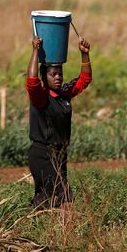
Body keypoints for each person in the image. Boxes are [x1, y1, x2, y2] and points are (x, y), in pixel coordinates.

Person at [26, 35, 92, 209]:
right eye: (53, 74)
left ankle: (29, 221)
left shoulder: (64, 94)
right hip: (43, 154)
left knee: (47, 198)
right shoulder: (41, 97)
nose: (58, 77)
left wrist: (84, 54)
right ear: (44, 77)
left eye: (60, 74)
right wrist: (35, 51)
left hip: (60, 154)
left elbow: (84, 80)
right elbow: (32, 82)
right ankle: (63, 232)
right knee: (64, 194)